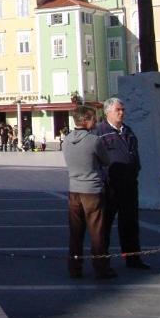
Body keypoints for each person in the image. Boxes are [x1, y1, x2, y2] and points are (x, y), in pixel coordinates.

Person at [94, 98, 148, 270]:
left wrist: (135, 168)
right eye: (118, 109)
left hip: (129, 185)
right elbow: (95, 159)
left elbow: (134, 153)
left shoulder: (128, 131)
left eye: (123, 109)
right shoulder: (100, 131)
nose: (121, 112)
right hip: (110, 187)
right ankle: (103, 261)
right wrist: (104, 180)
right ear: (107, 111)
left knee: (130, 223)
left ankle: (133, 258)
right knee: (106, 224)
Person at [63, 105, 115, 280]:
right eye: (93, 118)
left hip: (73, 189)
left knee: (76, 232)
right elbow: (106, 160)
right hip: (92, 190)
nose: (96, 121)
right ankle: (101, 267)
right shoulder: (94, 140)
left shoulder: (67, 140)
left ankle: (74, 267)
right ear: (84, 120)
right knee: (97, 232)